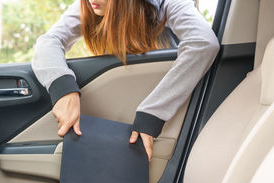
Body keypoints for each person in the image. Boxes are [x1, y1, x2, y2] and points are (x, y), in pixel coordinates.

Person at [32, 0, 219, 161]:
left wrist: (152, 114)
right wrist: (63, 88)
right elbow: (49, 41)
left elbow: (203, 43)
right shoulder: (92, 4)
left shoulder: (168, 4)